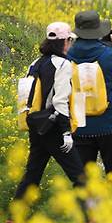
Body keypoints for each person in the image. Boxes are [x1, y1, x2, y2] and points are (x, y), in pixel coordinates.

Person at [67, 10, 112, 200]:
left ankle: (84, 216)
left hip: (80, 125)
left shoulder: (69, 55)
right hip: (109, 125)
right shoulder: (108, 54)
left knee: (82, 176)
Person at [13, 22, 86, 202]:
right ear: (65, 41)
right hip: (54, 128)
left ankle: (12, 222)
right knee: (80, 177)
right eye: (70, 40)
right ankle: (91, 222)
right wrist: (66, 132)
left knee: (32, 176)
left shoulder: (35, 63)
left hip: (37, 125)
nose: (70, 44)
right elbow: (59, 100)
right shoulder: (62, 64)